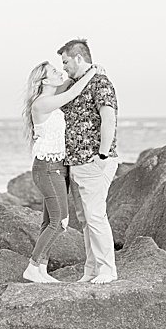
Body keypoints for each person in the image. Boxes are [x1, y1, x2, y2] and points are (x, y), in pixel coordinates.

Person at [21, 61, 103, 283]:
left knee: (49, 222)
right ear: (45, 81)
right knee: (60, 221)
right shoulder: (42, 103)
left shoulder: (49, 100)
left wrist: (83, 71)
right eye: (54, 72)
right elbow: (74, 90)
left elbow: (71, 82)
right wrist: (94, 71)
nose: (61, 72)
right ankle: (33, 266)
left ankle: (41, 270)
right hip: (48, 168)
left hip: (57, 167)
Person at [57, 38, 120, 284]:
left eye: (65, 62)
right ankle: (91, 270)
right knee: (85, 220)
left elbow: (109, 119)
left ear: (79, 58)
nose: (63, 67)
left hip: (94, 160)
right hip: (75, 162)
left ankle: (108, 270)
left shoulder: (100, 83)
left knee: (95, 216)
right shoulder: (75, 84)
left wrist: (102, 154)